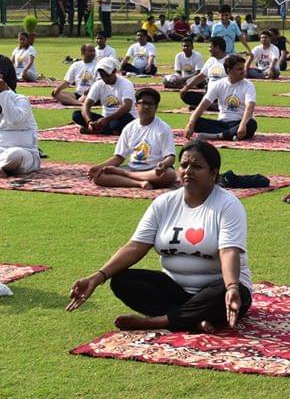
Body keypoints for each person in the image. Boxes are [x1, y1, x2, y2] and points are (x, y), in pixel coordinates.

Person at [67, 140, 253, 333]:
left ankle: (158, 322)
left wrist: (231, 286)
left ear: (213, 174)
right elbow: (135, 246)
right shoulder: (164, 203)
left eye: (197, 167)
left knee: (225, 291)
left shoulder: (228, 205)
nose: (188, 171)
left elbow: (229, 251)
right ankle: (191, 319)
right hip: (175, 289)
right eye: (184, 165)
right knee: (122, 281)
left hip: (215, 289)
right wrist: (97, 277)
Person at [87, 88, 178, 189]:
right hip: (132, 168)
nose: (146, 107)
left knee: (170, 174)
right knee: (99, 177)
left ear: (156, 107)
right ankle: (139, 183)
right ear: (136, 106)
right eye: (143, 103)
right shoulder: (129, 127)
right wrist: (98, 167)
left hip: (153, 170)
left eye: (150, 104)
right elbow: (119, 157)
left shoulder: (164, 128)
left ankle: (128, 176)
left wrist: (163, 164)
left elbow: (171, 157)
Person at [184, 55, 257, 141]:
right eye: (239, 69)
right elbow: (203, 105)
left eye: (243, 68)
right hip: (222, 123)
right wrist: (191, 123)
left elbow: (250, 107)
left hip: (239, 122)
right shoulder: (219, 84)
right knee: (196, 122)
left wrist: (243, 125)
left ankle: (217, 136)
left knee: (251, 124)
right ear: (229, 71)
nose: (243, 71)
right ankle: (229, 135)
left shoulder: (248, 85)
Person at [72, 58, 137, 135]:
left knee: (125, 118)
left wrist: (107, 120)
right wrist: (89, 121)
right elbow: (86, 105)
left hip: (119, 118)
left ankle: (101, 130)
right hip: (104, 120)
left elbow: (127, 107)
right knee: (77, 115)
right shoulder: (98, 84)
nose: (105, 78)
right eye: (102, 76)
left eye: (107, 75)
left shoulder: (126, 84)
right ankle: (103, 129)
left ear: (114, 71)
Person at [0, 55, 40, 178]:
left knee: (14, 155)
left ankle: (2, 167)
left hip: (24, 153)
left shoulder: (21, 100)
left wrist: (4, 93)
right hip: (1, 151)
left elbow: (14, 119)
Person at [180, 37, 228, 108]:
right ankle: (210, 106)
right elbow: (201, 76)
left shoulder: (229, 61)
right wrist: (187, 87)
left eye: (210, 47)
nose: (209, 50)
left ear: (217, 48)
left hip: (224, 95)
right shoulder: (211, 60)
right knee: (186, 95)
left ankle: (209, 106)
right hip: (209, 95)